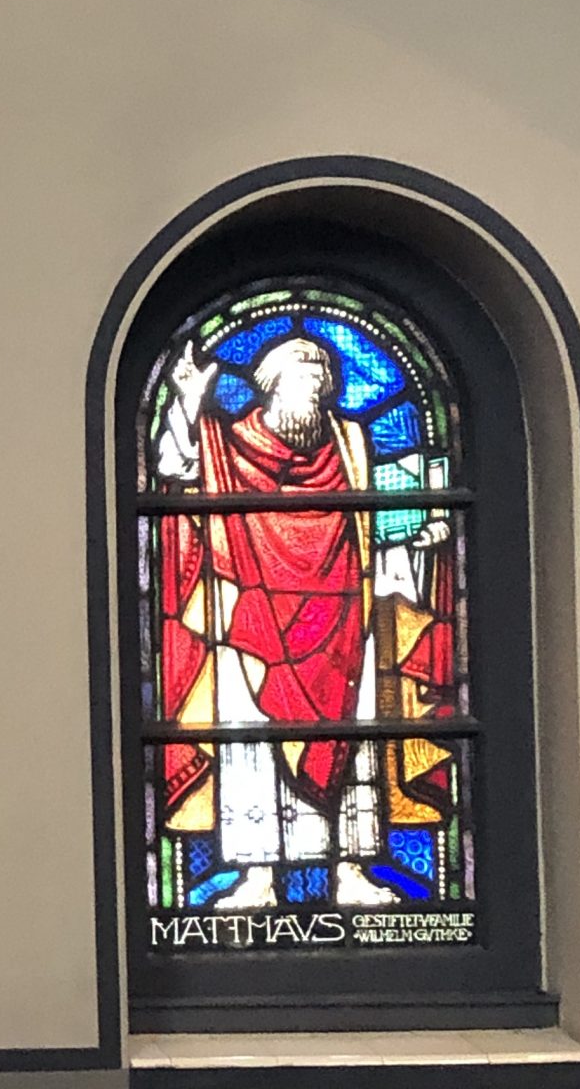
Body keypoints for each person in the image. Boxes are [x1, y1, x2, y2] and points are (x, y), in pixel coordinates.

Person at [155, 330, 453, 909]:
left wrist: (417, 532)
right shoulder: (228, 443)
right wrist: (189, 401)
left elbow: (371, 525)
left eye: (320, 381)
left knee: (353, 742)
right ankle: (258, 875)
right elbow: (178, 468)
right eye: (302, 377)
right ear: (270, 384)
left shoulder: (350, 442)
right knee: (248, 739)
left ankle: (351, 871)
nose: (313, 389)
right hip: (251, 618)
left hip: (343, 614)